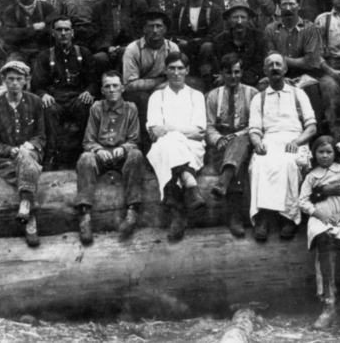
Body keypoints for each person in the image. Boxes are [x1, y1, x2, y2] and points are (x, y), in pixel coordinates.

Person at [248, 53, 317, 241]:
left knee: (289, 162)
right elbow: (254, 130)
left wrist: (296, 142)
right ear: (265, 71)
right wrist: (257, 143)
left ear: (285, 69)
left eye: (278, 64)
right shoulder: (258, 98)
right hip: (269, 140)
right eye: (270, 65)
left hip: (295, 139)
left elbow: (311, 127)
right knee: (260, 162)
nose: (275, 67)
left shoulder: (298, 94)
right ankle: (262, 217)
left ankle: (289, 218)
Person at [75, 71, 146, 244]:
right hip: (102, 155)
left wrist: (123, 148)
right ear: (102, 90)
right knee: (85, 158)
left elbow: (134, 139)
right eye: (107, 86)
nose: (112, 89)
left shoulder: (130, 108)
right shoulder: (97, 108)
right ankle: (85, 217)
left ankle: (132, 211)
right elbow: (88, 140)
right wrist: (98, 149)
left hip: (122, 155)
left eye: (115, 86)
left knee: (136, 155)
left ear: (122, 88)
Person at [298, 135, 340, 330]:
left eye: (329, 152)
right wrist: (319, 214)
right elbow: (303, 200)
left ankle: (339, 300)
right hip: (320, 218)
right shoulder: (311, 176)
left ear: (335, 153)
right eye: (321, 152)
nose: (325, 156)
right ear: (315, 154)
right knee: (324, 240)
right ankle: (329, 303)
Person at [146, 52, 207, 242]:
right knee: (167, 144)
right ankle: (189, 183)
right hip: (163, 147)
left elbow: (198, 132)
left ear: (187, 70)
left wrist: (170, 128)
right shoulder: (157, 96)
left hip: (192, 148)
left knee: (170, 140)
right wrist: (176, 131)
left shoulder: (196, 96)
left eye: (180, 68)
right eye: (171, 68)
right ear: (165, 70)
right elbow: (155, 131)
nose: (176, 72)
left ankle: (177, 215)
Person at [0, 61, 45, 247]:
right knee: (24, 163)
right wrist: (10, 150)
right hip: (6, 160)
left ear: (26, 81)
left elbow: (41, 136)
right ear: (3, 80)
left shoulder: (35, 102)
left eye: (19, 79)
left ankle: (26, 206)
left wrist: (29, 146)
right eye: (11, 79)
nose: (15, 83)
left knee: (26, 156)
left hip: (31, 154)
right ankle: (30, 213)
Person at [205, 53, 260, 237]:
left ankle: (226, 192)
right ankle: (234, 214)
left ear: (242, 72)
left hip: (245, 139)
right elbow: (209, 126)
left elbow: (256, 124)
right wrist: (218, 139)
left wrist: (237, 136)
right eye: (228, 73)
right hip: (222, 144)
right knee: (235, 158)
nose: (233, 76)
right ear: (221, 73)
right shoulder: (213, 96)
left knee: (241, 144)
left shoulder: (253, 94)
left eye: (237, 72)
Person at [30, 16, 97, 165]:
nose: (63, 33)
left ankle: (86, 154)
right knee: (47, 108)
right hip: (56, 100)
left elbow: (93, 81)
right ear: (53, 32)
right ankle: (51, 156)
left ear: (72, 32)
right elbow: (37, 85)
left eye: (67, 29)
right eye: (59, 29)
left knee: (86, 105)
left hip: (77, 99)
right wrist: (43, 94)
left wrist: (89, 91)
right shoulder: (45, 56)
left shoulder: (84, 53)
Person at [265, 0, 326, 123]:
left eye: (292, 4)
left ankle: (316, 134)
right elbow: (270, 58)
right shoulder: (271, 29)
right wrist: (281, 73)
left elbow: (310, 61)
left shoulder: (309, 28)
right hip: (278, 75)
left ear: (299, 5)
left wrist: (280, 59)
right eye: (284, 4)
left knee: (312, 91)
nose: (288, 8)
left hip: (306, 76)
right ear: (279, 6)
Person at [121, 8, 180, 149]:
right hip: (140, 94)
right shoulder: (132, 50)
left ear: (165, 29)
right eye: (151, 26)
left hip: (165, 88)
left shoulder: (172, 48)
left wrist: (164, 85)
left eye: (159, 26)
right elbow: (129, 84)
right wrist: (157, 83)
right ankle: (147, 146)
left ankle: (173, 144)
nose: (155, 30)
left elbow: (177, 74)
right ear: (144, 29)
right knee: (144, 100)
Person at [168, 0, 224, 91]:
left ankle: (208, 83)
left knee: (207, 46)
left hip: (205, 57)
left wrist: (190, 43)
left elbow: (214, 35)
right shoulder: (179, 9)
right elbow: (173, 32)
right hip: (184, 54)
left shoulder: (214, 10)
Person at [90, 0, 148, 71]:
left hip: (131, 49)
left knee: (125, 53)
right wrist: (108, 48)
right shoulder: (99, 8)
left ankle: (124, 86)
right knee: (99, 58)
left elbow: (141, 33)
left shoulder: (139, 5)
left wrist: (123, 48)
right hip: (107, 50)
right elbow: (95, 36)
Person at [0, 0, 55, 65]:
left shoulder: (47, 7)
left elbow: (52, 30)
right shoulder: (10, 11)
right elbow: (10, 35)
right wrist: (33, 28)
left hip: (42, 51)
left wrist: (22, 32)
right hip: (19, 53)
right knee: (13, 69)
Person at [211, 1, 269, 88]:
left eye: (243, 17)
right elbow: (218, 68)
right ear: (228, 19)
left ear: (249, 19)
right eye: (235, 17)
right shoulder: (219, 40)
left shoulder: (259, 37)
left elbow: (260, 67)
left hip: (253, 82)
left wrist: (238, 78)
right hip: (227, 82)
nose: (239, 21)